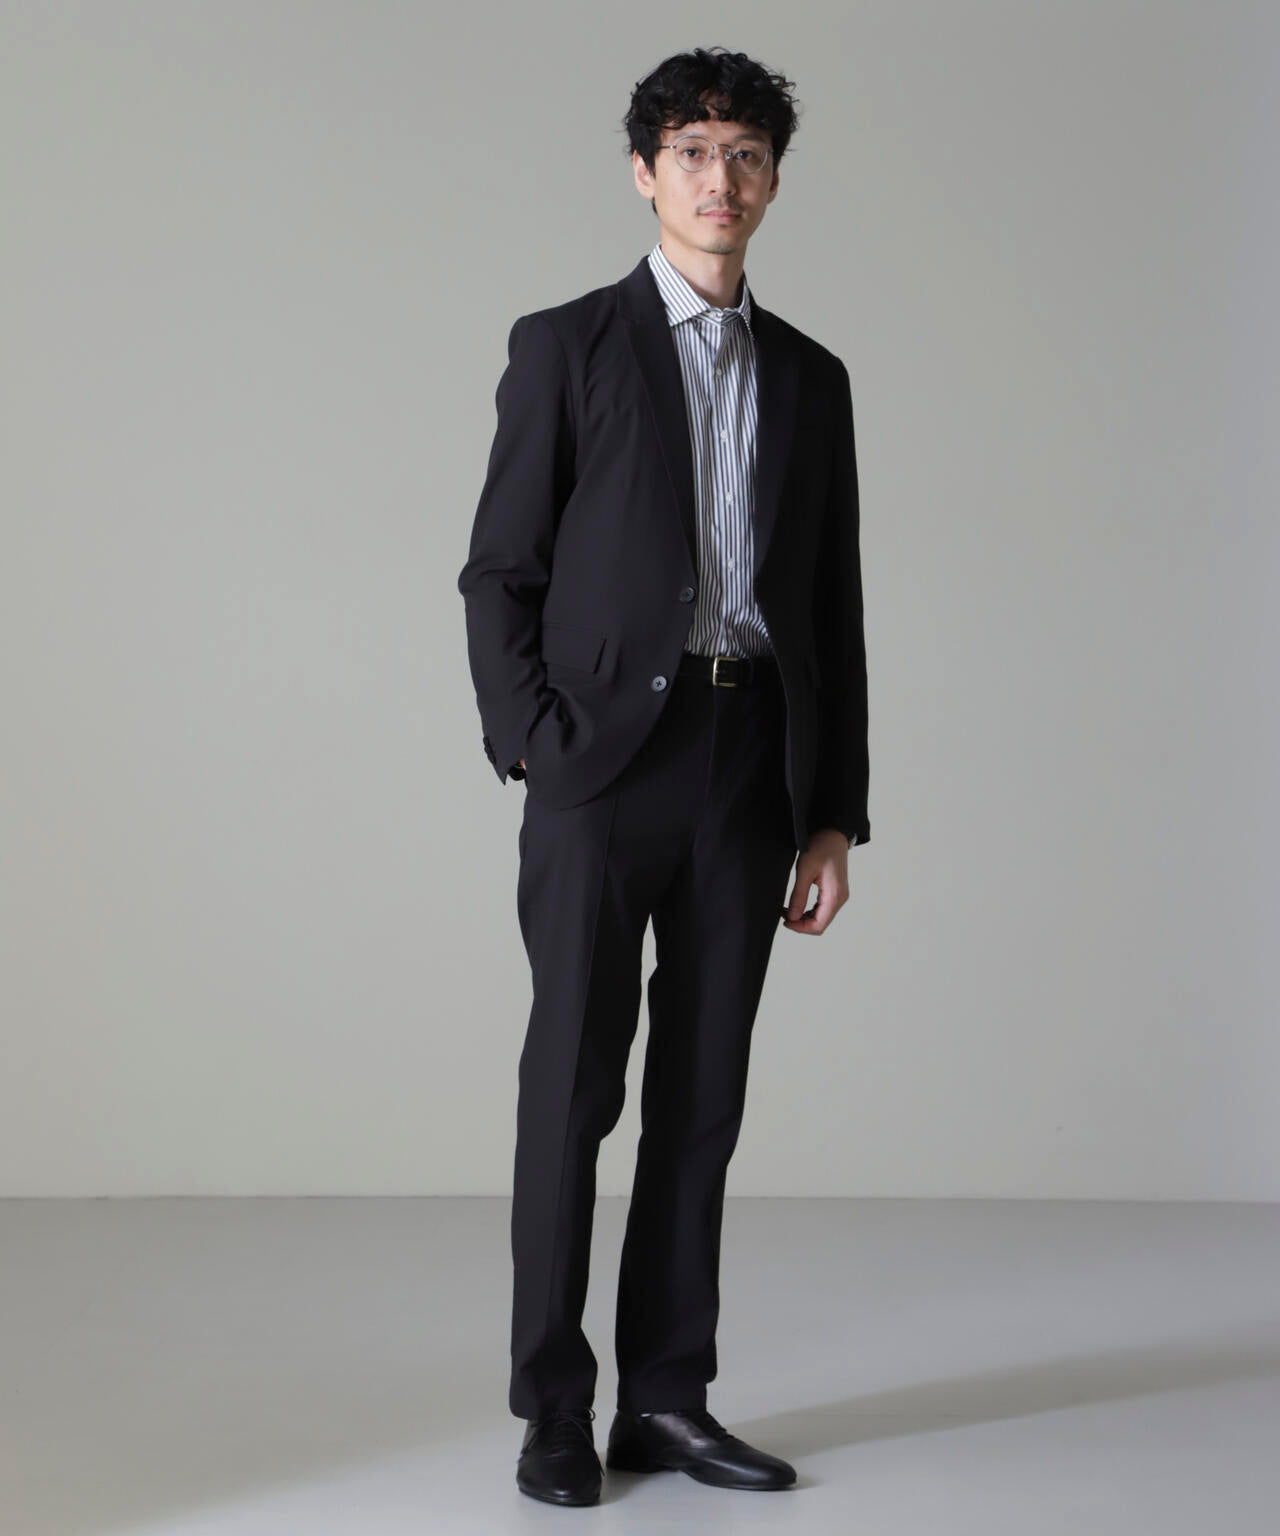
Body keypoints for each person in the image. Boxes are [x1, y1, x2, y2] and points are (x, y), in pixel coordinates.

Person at [457, 45, 870, 1507]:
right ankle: (553, 1411)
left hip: (748, 766)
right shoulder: (566, 347)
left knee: (703, 1101)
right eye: (694, 151)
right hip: (599, 769)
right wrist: (531, 742)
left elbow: (829, 605)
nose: (720, 179)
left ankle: (668, 1401)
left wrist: (832, 811)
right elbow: (500, 571)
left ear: (773, 181)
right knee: (572, 1092)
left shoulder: (811, 379)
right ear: (646, 173)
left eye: (746, 154)